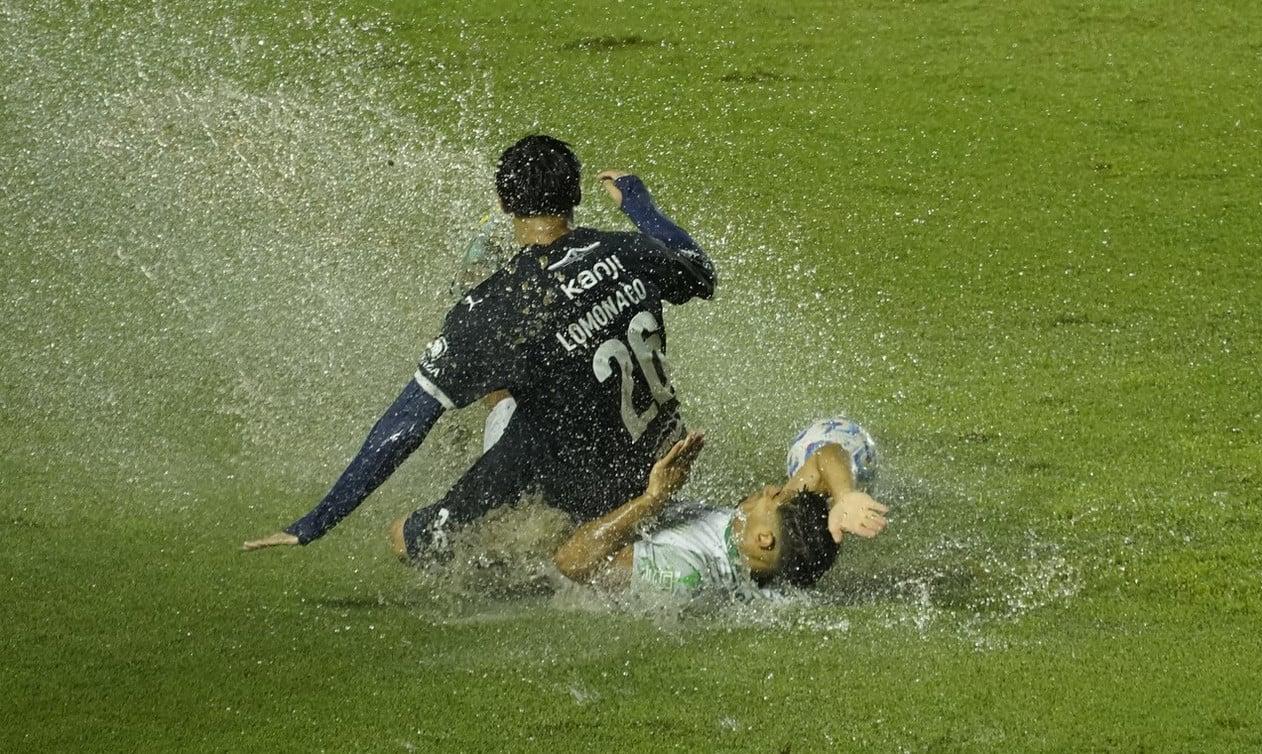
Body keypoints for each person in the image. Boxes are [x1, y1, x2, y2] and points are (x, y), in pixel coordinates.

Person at [243, 135, 715, 559]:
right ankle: (478, 349)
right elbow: (699, 269)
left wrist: (314, 522)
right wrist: (637, 201)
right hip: (660, 466)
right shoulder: (630, 250)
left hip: (558, 480)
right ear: (576, 195)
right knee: (537, 358)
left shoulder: (496, 307)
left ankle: (471, 292)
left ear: (504, 202)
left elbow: (405, 425)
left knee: (404, 538)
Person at [552, 419, 889, 599]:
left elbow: (571, 561)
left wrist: (652, 500)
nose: (772, 489)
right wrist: (844, 496)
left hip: (545, 545)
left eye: (773, 497)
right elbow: (825, 454)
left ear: (763, 539)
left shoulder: (685, 574)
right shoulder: (782, 542)